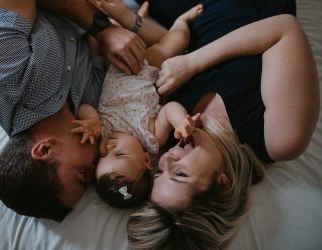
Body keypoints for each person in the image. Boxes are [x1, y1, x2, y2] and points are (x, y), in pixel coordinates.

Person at [123, 0, 319, 249]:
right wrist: (193, 63)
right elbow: (284, 30)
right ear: (223, 184)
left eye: (160, 173)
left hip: (195, 12)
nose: (166, 159)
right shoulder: (279, 139)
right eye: (180, 173)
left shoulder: (171, 127)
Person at [0, 0, 151, 222]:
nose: (96, 165)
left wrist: (102, 29)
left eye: (83, 173)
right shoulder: (91, 107)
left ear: (44, 150)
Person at [70, 3, 204, 209]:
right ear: (147, 161)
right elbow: (169, 110)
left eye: (103, 156)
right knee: (174, 42)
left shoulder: (103, 134)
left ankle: (135, 17)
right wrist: (179, 123)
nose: (108, 147)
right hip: (147, 68)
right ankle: (182, 22)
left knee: (96, 38)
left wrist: (90, 119)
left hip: (115, 65)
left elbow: (87, 106)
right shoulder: (152, 138)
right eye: (119, 154)